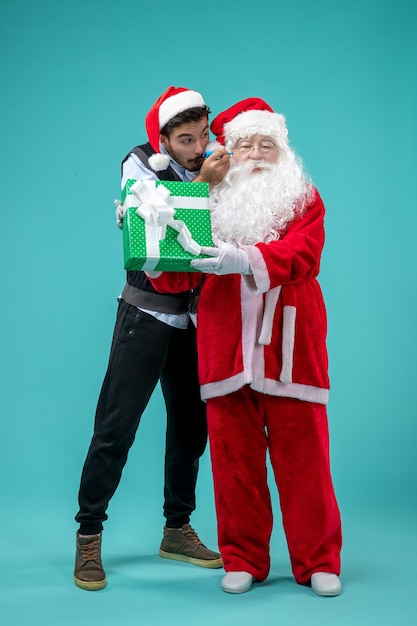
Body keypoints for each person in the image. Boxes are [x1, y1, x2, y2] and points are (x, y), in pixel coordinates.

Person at [147, 97, 343, 596]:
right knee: (234, 462)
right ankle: (244, 558)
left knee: (305, 460)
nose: (256, 153)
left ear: (284, 151)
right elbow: (174, 271)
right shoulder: (206, 201)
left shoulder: (304, 198)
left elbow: (305, 254)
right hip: (225, 345)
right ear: (227, 151)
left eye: (267, 144)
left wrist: (243, 258)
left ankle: (319, 560)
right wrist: (149, 246)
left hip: (292, 346)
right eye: (245, 144)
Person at [74, 86, 231, 591]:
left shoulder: (213, 160)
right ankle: (89, 536)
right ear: (161, 137)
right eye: (185, 139)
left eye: (203, 135)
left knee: (192, 429)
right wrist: (203, 186)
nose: (196, 147)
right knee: (115, 427)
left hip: (192, 321)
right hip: (144, 315)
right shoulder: (140, 164)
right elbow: (161, 244)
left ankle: (176, 529)